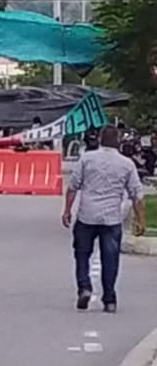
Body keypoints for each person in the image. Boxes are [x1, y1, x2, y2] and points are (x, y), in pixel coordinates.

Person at [63, 126, 146, 313]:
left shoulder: (87, 159)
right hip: (111, 219)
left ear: (100, 139)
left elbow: (73, 187)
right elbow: (137, 195)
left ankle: (84, 287)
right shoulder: (126, 164)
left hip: (87, 215)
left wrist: (67, 211)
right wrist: (141, 220)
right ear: (118, 141)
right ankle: (109, 299)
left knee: (82, 254)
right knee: (110, 259)